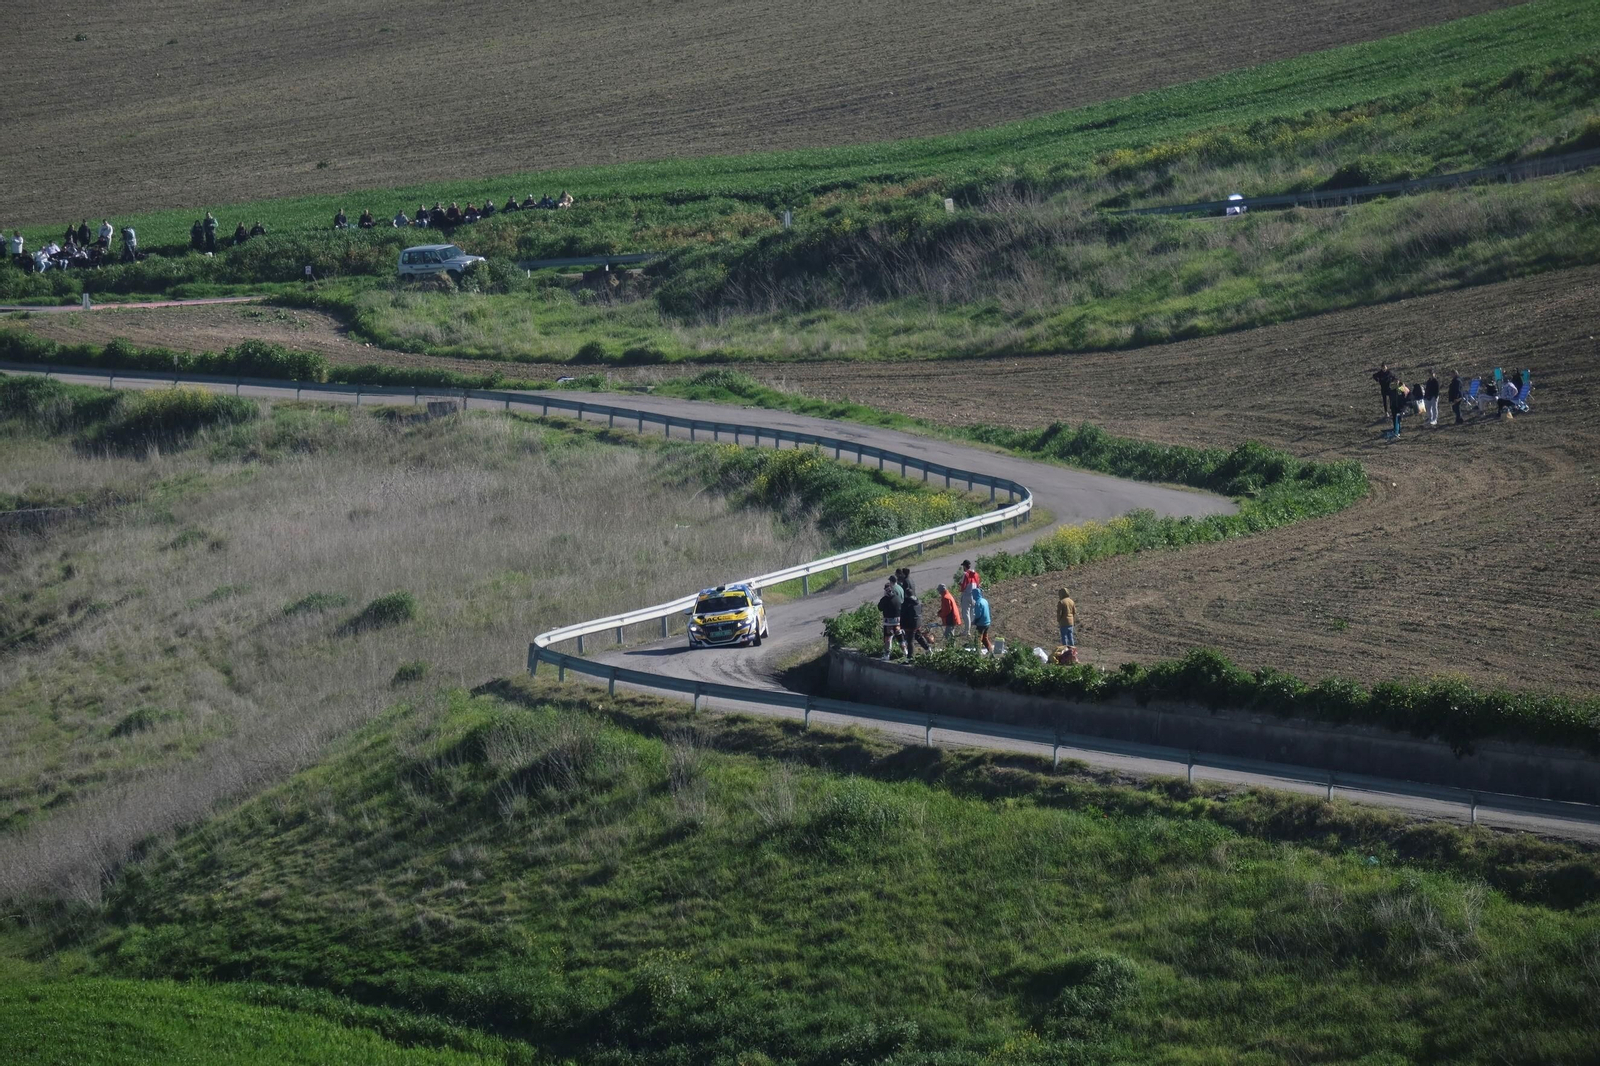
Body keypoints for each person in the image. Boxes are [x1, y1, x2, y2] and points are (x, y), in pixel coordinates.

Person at [902, 590, 932, 658]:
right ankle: (928, 649)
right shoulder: (918, 601)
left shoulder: (906, 603)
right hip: (917, 623)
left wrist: (902, 624)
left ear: (906, 594)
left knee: (910, 641)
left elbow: (903, 614)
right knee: (918, 636)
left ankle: (910, 657)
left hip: (910, 625)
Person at [877, 581, 902, 660]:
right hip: (898, 622)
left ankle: (887, 655)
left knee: (888, 639)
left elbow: (880, 608)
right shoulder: (898, 598)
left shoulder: (885, 599)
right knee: (900, 637)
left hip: (888, 623)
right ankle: (906, 652)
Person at [958, 560, 981, 636]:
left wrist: (960, 588)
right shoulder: (976, 574)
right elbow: (978, 585)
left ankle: (967, 631)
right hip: (974, 595)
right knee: (972, 613)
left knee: (966, 613)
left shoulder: (966, 574)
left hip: (967, 595)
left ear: (964, 566)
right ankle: (973, 629)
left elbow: (963, 586)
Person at [969, 586, 994, 655]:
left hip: (981, 624)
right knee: (984, 638)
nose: (972, 596)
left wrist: (974, 622)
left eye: (973, 595)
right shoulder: (984, 600)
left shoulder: (978, 603)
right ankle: (990, 650)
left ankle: (978, 653)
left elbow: (978, 614)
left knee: (977, 638)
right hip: (987, 623)